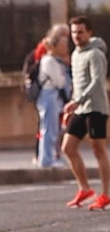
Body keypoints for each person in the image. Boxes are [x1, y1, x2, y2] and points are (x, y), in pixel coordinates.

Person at [61, 16, 110, 210]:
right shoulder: (76, 54)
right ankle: (84, 188)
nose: (76, 36)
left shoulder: (96, 55)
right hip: (80, 107)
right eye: (74, 32)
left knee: (98, 149)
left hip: (96, 108)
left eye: (80, 32)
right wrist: (72, 105)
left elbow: (97, 82)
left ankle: (106, 194)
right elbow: (78, 83)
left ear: (89, 32)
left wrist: (77, 101)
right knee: (68, 147)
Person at [31, 25, 71, 168]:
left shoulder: (56, 61)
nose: (65, 48)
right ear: (54, 46)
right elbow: (59, 81)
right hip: (49, 96)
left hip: (54, 97)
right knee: (49, 128)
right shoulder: (49, 60)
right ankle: (46, 159)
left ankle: (53, 155)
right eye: (62, 44)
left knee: (55, 128)